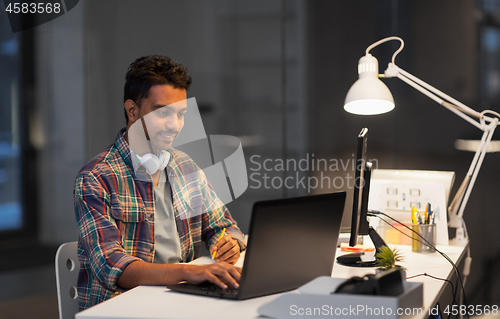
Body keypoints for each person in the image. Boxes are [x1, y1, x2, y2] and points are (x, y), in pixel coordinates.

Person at [74, 55, 245, 310]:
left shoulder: (185, 166)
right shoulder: (96, 178)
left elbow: (224, 226)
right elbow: (113, 266)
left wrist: (227, 243)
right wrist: (188, 273)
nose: (174, 125)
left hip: (180, 300)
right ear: (132, 110)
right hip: (122, 308)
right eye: (162, 112)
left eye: (181, 114)